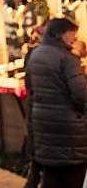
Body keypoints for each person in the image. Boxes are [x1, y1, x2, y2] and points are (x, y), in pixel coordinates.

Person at [25, 17, 87, 188]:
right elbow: (81, 95)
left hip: (42, 124)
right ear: (60, 34)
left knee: (51, 174)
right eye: (71, 33)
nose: (74, 37)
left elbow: (29, 88)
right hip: (68, 128)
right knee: (74, 176)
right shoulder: (68, 59)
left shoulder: (35, 54)